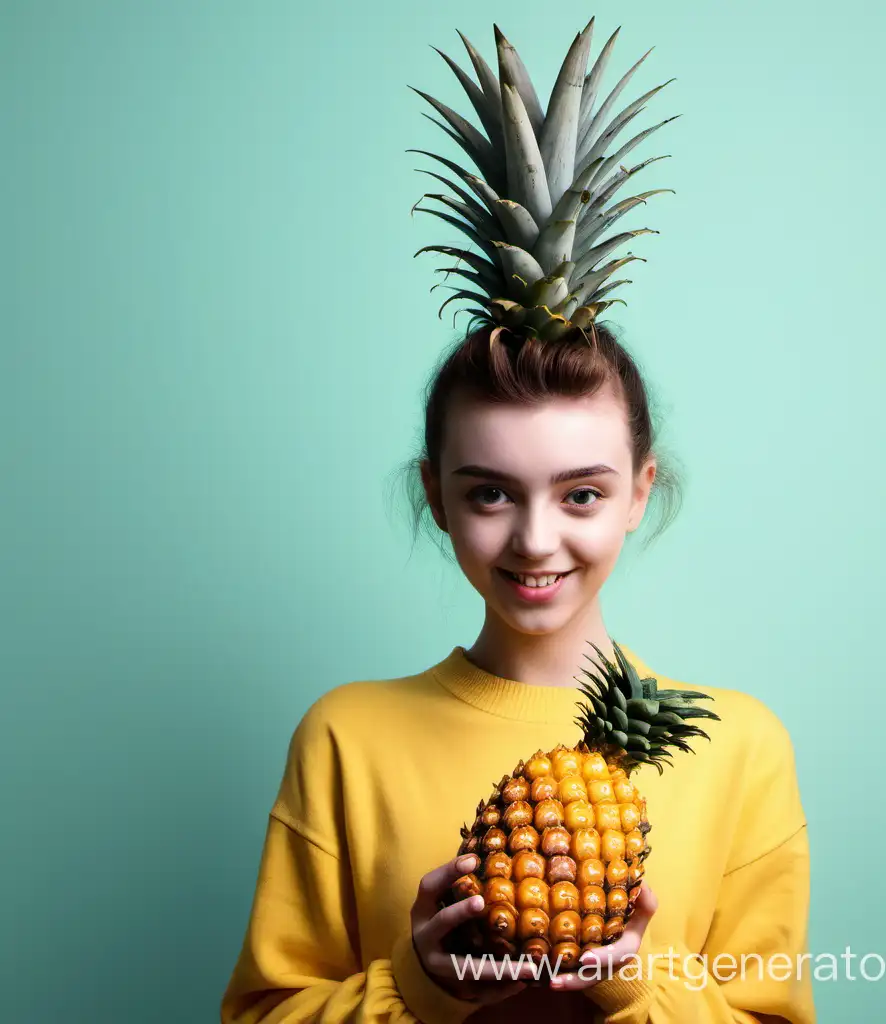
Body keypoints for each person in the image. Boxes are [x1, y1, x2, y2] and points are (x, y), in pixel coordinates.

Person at [220, 20, 815, 1024]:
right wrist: (416, 984)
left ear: (638, 490)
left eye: (581, 492)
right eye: (490, 491)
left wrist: (634, 991)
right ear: (435, 496)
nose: (536, 540)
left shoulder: (740, 747)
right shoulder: (344, 736)